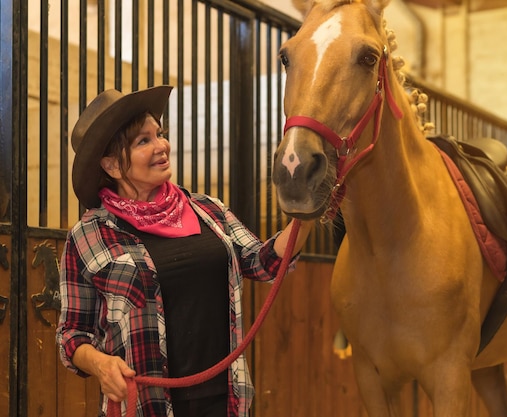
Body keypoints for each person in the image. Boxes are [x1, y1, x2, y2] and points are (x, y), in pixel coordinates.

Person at [56, 85, 314, 417]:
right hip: (148, 403)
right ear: (111, 165)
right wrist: (101, 364)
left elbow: (263, 263)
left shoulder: (209, 211)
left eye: (159, 134)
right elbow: (72, 335)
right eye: (143, 141)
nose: (162, 146)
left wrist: (306, 213)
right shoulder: (89, 234)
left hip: (225, 399)